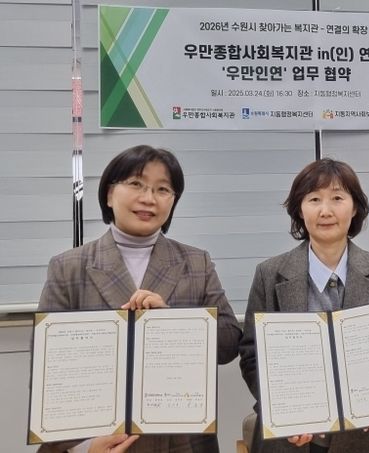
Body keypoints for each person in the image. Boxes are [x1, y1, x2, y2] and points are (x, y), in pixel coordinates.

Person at [37, 145, 242, 453]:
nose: (149, 198)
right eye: (136, 184)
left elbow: (229, 344)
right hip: (98, 440)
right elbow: (48, 372)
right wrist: (84, 447)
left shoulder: (196, 262)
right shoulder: (68, 267)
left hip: (181, 442)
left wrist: (173, 324)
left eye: (163, 189)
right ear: (109, 194)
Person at [239, 158, 369, 453]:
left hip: (366, 437)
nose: (325, 211)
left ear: (354, 208)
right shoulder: (269, 274)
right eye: (314, 199)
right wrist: (281, 412)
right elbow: (252, 357)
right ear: (299, 210)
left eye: (337, 198)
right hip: (291, 439)